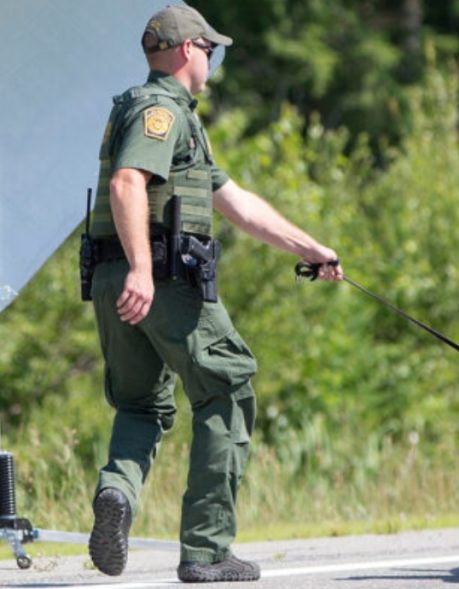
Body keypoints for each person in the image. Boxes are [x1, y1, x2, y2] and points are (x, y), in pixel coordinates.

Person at [85, 4, 343, 583]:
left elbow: (237, 203)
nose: (213, 60)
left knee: (140, 405)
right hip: (161, 281)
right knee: (228, 387)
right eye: (210, 49)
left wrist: (310, 247)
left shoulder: (160, 115)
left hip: (115, 281)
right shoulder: (161, 111)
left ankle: (117, 494)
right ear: (185, 51)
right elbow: (130, 183)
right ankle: (206, 551)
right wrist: (144, 272)